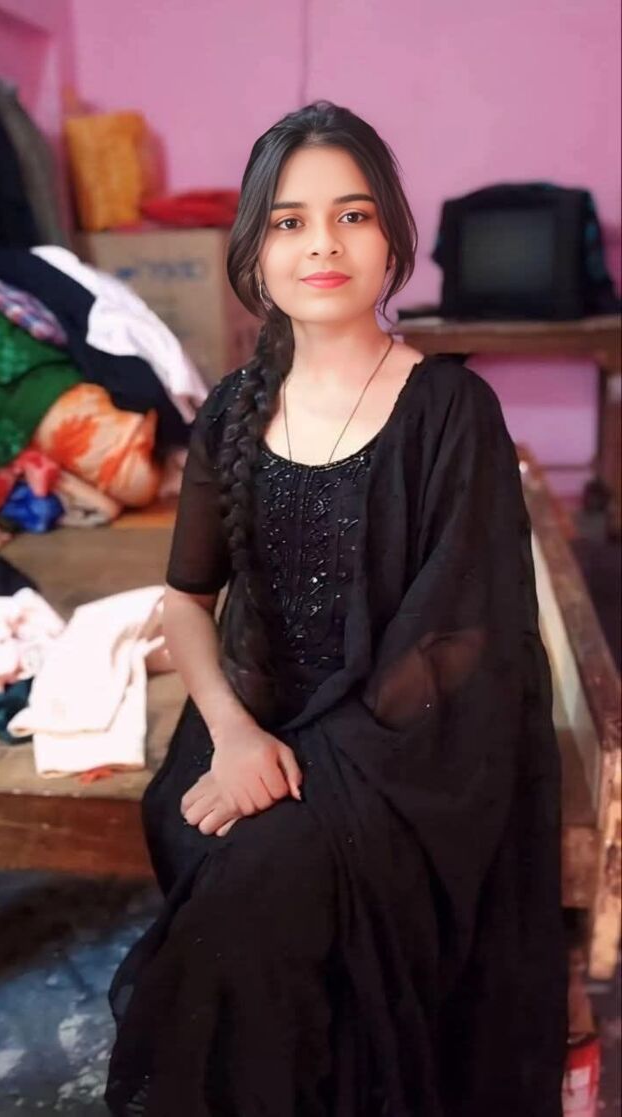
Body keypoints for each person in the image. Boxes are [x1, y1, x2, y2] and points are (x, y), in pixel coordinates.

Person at [105, 100, 567, 1116]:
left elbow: (460, 637)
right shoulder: (233, 409)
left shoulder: (452, 411)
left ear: (392, 238)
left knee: (262, 884)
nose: (322, 243)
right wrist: (235, 736)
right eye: (290, 220)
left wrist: (310, 773)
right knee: (230, 864)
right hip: (247, 727)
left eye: (352, 215)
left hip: (412, 746)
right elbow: (186, 600)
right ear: (254, 251)